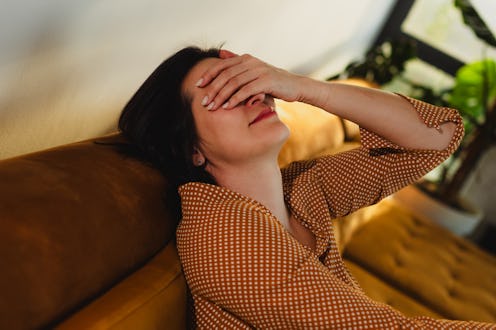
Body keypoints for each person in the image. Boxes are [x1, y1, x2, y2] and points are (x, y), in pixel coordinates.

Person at [119, 47, 494, 329]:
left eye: (249, 81)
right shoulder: (225, 234)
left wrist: (302, 87)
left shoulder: (299, 188)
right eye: (225, 94)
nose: (254, 95)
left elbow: (437, 137)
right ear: (191, 149)